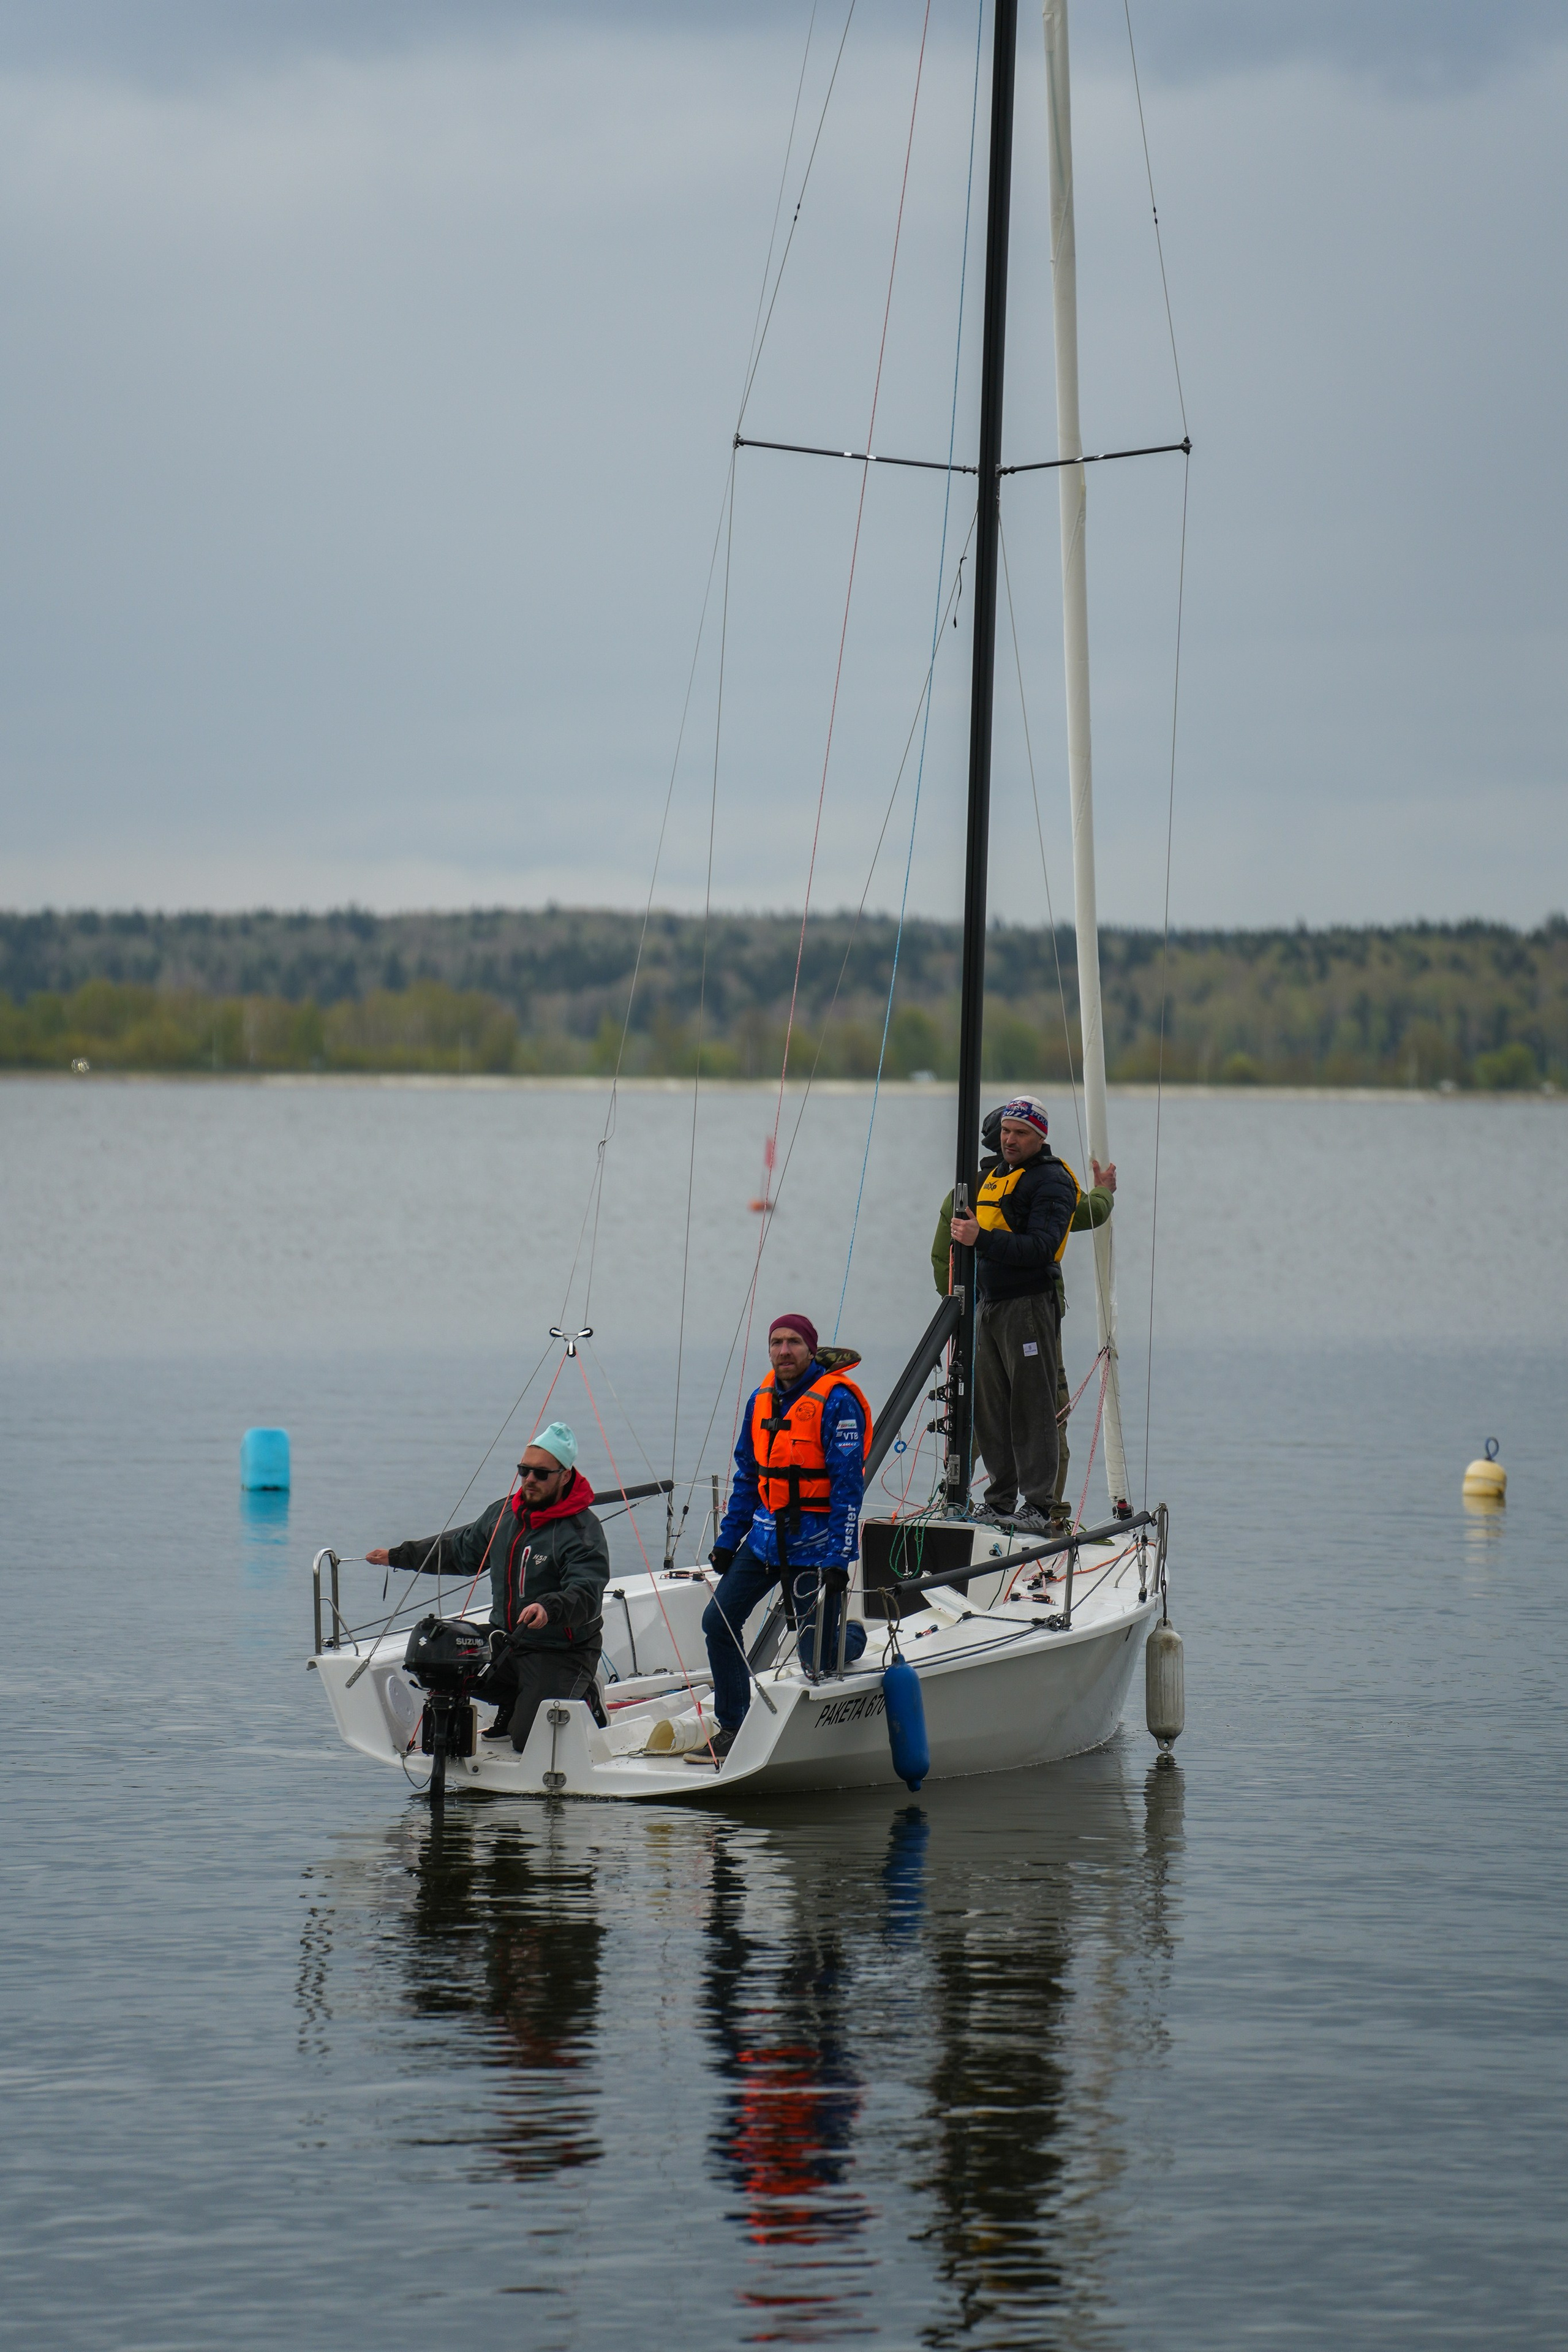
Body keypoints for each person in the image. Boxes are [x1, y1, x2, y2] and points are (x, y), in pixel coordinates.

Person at [366, 1420, 609, 1752]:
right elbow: (459, 1551)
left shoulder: (582, 1531)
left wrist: (548, 1608)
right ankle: (514, 1698)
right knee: (438, 1658)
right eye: (524, 1471)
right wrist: (399, 1556)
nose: (529, 1480)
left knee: (530, 1741)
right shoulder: (503, 1515)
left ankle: (584, 1694)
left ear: (565, 1475)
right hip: (507, 1640)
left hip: (561, 1651)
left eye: (541, 1474)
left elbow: (586, 1594)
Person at [695, 1313, 873, 1764]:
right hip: (764, 1541)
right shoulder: (760, 1402)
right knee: (718, 1622)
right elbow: (748, 1478)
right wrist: (727, 1539)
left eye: (794, 1342)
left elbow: (848, 1488)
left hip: (815, 1548)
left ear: (811, 1350)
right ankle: (733, 1725)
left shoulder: (837, 1401)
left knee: (818, 1661)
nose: (784, 1350)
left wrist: (839, 1558)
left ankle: (849, 1637)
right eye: (776, 1342)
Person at [937, 1096, 1115, 1535]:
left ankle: (1039, 1505)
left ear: (1040, 1137)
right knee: (991, 1407)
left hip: (1030, 1305)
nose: (1010, 1139)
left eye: (1020, 1133)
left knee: (1036, 1408)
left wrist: (982, 1239)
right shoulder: (982, 1181)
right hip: (986, 1306)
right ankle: (999, 1500)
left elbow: (1040, 1247)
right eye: (1006, 1132)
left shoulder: (1051, 1182)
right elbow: (944, 1252)